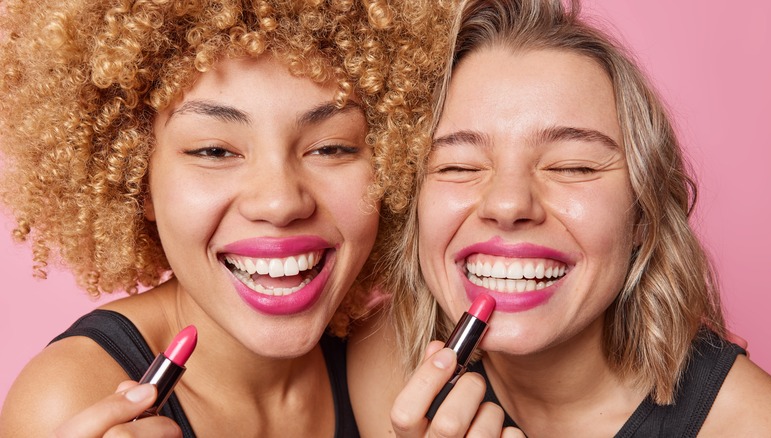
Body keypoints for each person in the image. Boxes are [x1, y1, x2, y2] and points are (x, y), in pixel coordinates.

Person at [0, 0, 450, 436]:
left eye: (331, 147)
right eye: (214, 151)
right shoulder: (71, 401)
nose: (280, 203)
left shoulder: (394, 357)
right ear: (139, 179)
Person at [350, 0, 771, 436]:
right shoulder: (383, 357)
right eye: (458, 166)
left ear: (643, 216)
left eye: (572, 166)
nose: (509, 205)